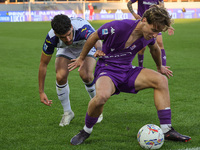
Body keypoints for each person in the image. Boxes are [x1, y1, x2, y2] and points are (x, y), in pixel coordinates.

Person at [68, 5, 191, 145]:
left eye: (158, 32)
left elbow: (155, 49)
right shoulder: (119, 27)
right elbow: (94, 36)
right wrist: (82, 58)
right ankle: (86, 131)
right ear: (144, 20)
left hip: (127, 70)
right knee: (101, 97)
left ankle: (167, 130)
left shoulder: (149, 36)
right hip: (107, 70)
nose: (154, 35)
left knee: (161, 80)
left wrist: (159, 67)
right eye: (153, 30)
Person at [38, 14, 103, 127]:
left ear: (71, 27)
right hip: (67, 50)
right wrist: (41, 91)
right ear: (56, 34)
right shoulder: (51, 37)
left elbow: (96, 40)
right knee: (60, 76)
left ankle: (96, 108)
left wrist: (99, 50)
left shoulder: (83, 28)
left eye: (69, 34)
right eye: (63, 37)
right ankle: (68, 112)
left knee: (86, 75)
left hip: (86, 46)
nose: (68, 39)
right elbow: (43, 64)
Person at [127, 0, 174, 67]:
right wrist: (135, 15)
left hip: (156, 24)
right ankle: (141, 67)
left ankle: (163, 66)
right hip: (144, 24)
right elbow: (129, 3)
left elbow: (162, 10)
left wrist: (168, 25)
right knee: (142, 48)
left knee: (160, 42)